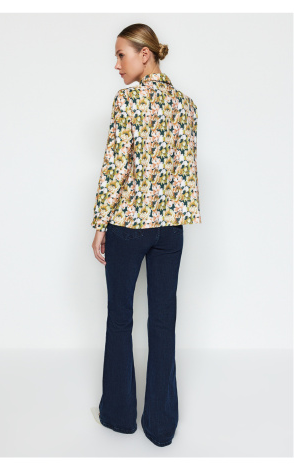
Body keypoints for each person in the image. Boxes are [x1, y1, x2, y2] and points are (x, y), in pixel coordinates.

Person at [91, 23, 202, 447]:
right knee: (163, 322)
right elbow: (185, 171)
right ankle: (161, 425)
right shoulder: (187, 105)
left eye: (121, 54)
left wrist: (100, 223)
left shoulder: (127, 101)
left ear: (145, 54)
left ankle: (119, 416)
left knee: (121, 319)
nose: (116, 64)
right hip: (170, 230)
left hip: (128, 227)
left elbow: (115, 167)